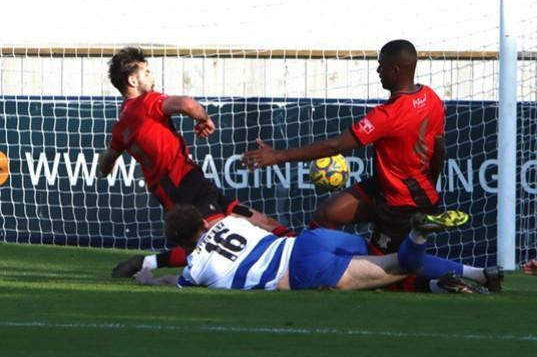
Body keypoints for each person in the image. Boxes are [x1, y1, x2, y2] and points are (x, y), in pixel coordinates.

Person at [241, 40, 501, 291]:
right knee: (328, 214)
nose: (377, 71)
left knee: (389, 269)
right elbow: (439, 150)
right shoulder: (431, 98)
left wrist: (278, 156)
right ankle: (311, 268)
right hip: (387, 189)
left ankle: (466, 278)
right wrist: (429, 183)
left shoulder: (388, 115)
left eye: (381, 66)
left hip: (401, 203)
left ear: (395, 70)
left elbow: (336, 146)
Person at [99, 47, 292, 278]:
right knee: (213, 243)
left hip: (189, 182)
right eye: (146, 71)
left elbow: (107, 160)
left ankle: (299, 247)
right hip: (182, 185)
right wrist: (205, 119)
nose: (152, 77)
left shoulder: (121, 125)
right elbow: (187, 104)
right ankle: (147, 262)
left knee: (263, 222)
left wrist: (105, 168)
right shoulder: (147, 103)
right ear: (133, 80)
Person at [134, 205, 480, 293]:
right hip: (310, 239)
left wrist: (148, 278)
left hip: (300, 272)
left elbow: (174, 282)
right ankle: (477, 274)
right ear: (203, 221)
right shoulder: (229, 222)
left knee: (400, 266)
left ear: (181, 242)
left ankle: (418, 234)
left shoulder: (195, 268)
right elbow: (267, 225)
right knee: (386, 259)